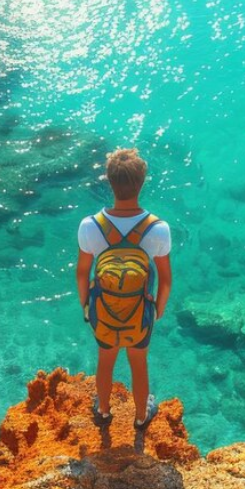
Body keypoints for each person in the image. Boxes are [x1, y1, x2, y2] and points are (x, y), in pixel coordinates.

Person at [75, 148, 173, 429]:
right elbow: (165, 278)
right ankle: (141, 417)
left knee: (105, 361)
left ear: (109, 182)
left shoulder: (90, 226)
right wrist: (157, 310)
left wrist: (86, 307)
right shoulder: (159, 229)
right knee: (138, 363)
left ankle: (104, 412)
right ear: (142, 183)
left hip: (103, 309)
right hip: (140, 310)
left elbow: (82, 272)